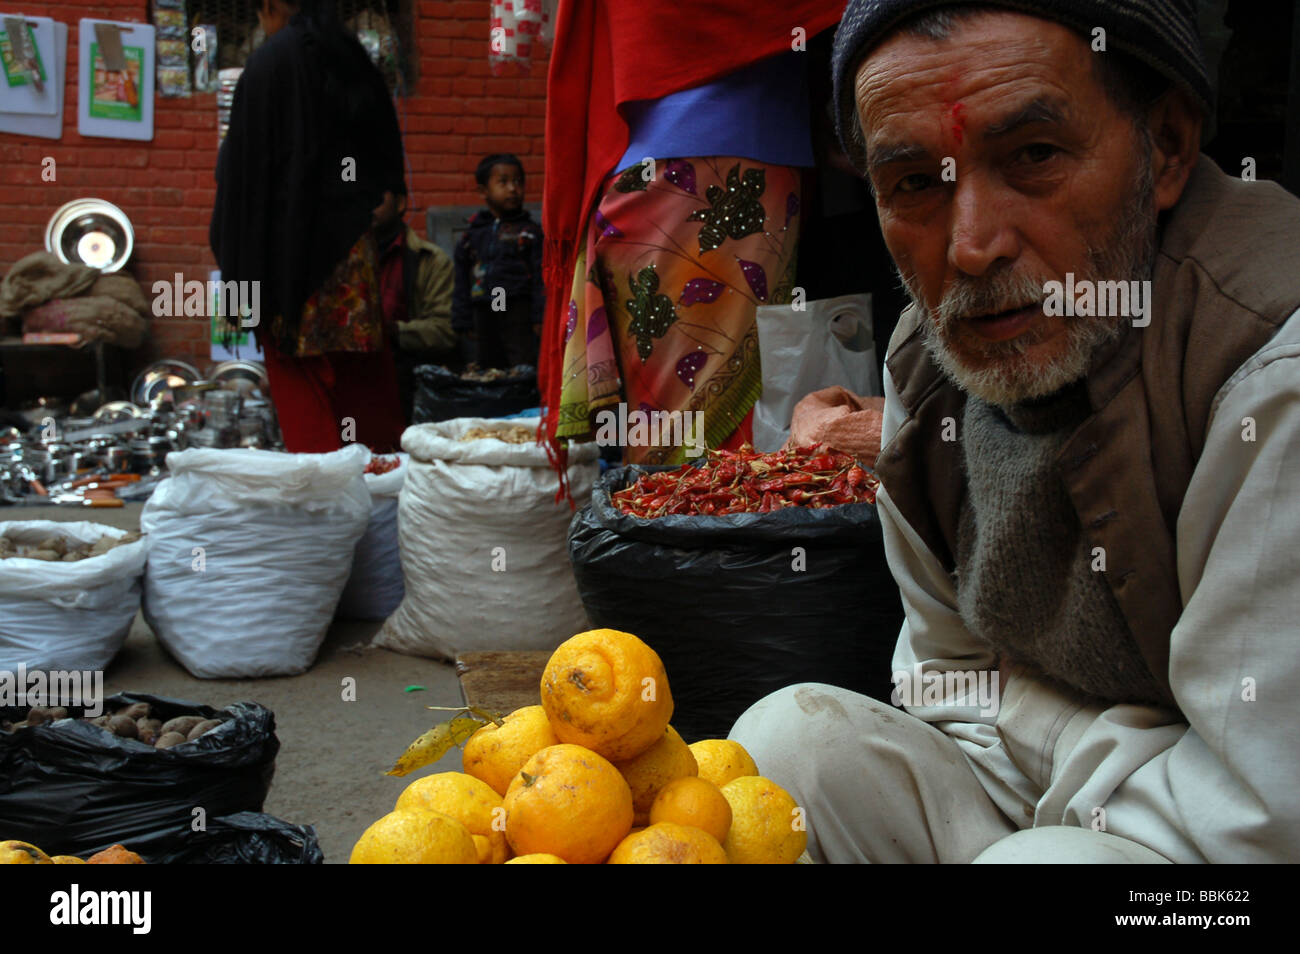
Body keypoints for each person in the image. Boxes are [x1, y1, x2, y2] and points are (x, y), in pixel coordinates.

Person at [730, 0, 1300, 863]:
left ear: (1168, 146)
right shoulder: (932, 362)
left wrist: (1051, 760)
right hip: (1081, 796)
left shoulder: (1268, 369)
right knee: (781, 750)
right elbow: (941, 681)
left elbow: (1260, 818)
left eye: (1034, 156)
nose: (971, 247)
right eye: (915, 183)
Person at [537, 1, 845, 466]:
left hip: (634, 179)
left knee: (659, 437)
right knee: (702, 450)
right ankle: (678, 531)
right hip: (732, 165)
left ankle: (657, 529)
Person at [209, 0, 408, 452]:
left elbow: (244, 184)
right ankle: (381, 497)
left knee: (308, 401)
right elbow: (383, 167)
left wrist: (243, 282)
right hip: (351, 261)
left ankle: (328, 508)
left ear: (272, 6)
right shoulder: (351, 57)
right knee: (363, 397)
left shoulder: (268, 64)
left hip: (286, 266)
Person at [451, 154, 544, 370]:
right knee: (488, 364)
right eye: (503, 182)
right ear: (483, 191)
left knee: (521, 364)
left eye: (518, 181)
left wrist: (540, 316)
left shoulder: (530, 232)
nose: (513, 188)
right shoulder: (472, 236)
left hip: (518, 308)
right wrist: (462, 320)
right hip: (484, 307)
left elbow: (541, 278)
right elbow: (461, 279)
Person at [373, 192, 457, 423]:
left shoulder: (430, 260)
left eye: (377, 200)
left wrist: (395, 330)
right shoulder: (347, 261)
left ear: (400, 204)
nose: (368, 208)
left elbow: (445, 330)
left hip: (411, 381)